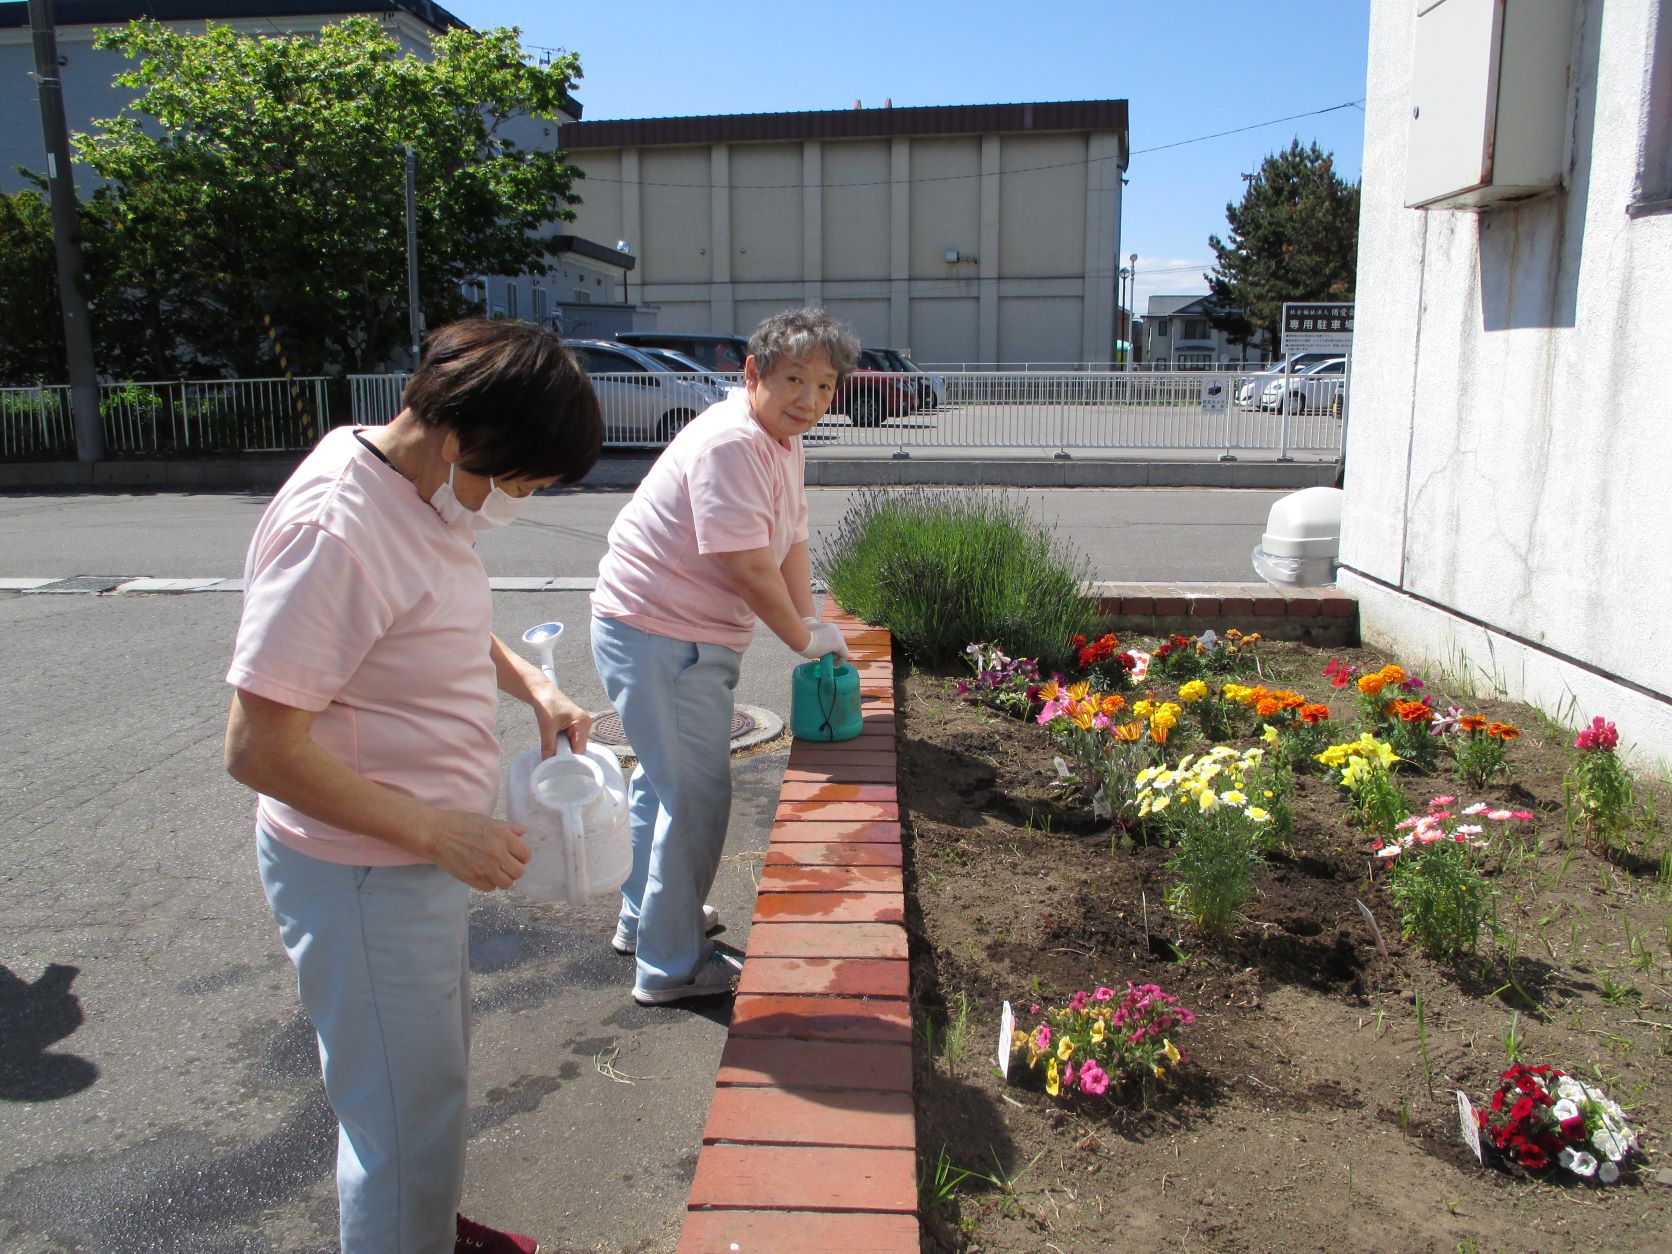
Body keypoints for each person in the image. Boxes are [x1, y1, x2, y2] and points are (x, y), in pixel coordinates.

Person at [223, 319, 603, 1254]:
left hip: (409, 860)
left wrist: (532, 683)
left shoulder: (415, 492)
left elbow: (424, 616)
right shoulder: (337, 531)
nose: (514, 501)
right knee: (397, 1118)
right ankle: (404, 1227)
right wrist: (437, 832)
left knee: (425, 1088)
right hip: (365, 872)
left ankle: (423, 1226)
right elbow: (258, 747)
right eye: (513, 482)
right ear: (452, 436)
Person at [591, 307, 856, 1006]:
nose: (809, 399)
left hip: (668, 632)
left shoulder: (782, 441)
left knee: (662, 782)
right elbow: (745, 565)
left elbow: (791, 541)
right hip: (662, 635)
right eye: (794, 379)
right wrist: (802, 640)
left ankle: (646, 919)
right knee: (696, 795)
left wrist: (810, 621)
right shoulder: (733, 443)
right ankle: (670, 967)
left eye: (825, 386)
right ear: (752, 374)